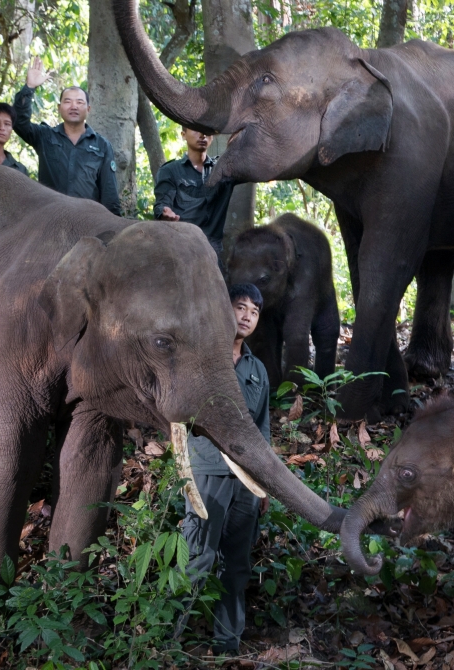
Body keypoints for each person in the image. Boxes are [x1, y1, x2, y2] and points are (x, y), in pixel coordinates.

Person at [180, 284, 272, 653]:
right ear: (225, 310)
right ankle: (170, 639)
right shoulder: (204, 357)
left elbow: (263, 427)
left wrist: (264, 484)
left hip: (246, 482)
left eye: (255, 311)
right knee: (198, 557)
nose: (247, 316)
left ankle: (227, 644)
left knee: (236, 565)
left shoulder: (257, 369)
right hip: (206, 472)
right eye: (241, 307)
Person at [13, 57, 122, 215]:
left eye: (79, 102)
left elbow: (109, 192)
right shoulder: (45, 136)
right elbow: (19, 123)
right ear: (59, 108)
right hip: (49, 219)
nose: (73, 106)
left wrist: (113, 227)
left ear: (88, 109)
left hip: (88, 222)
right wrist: (29, 88)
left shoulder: (102, 145)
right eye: (68, 101)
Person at [154, 125, 237, 258]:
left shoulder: (225, 169)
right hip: (181, 249)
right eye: (196, 129)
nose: (202, 135)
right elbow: (162, 203)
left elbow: (254, 167)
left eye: (207, 131)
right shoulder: (170, 170)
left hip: (213, 253)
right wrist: (165, 212)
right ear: (183, 135)